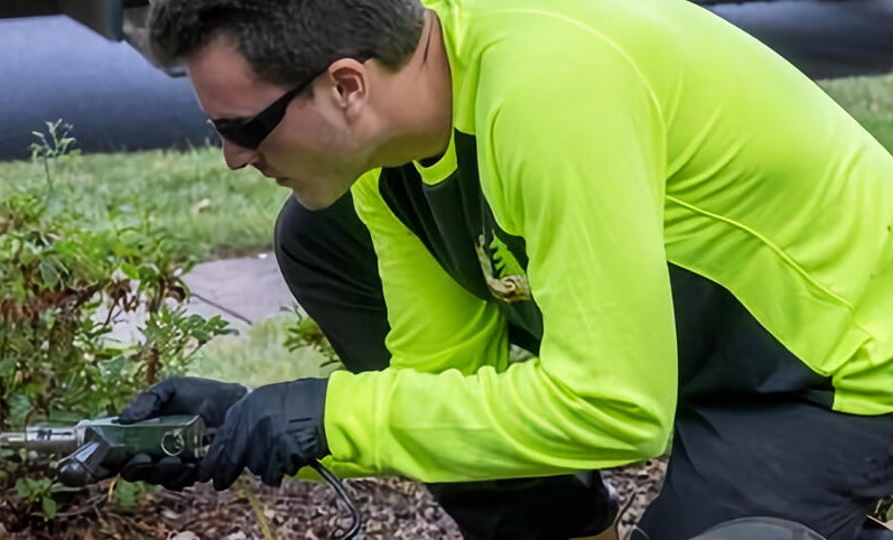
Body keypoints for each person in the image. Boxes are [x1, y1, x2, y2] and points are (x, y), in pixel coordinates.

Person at [102, 0, 893, 538]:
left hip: (831, 367)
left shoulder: (552, 92)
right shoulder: (398, 120)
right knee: (320, 234)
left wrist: (332, 414)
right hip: (687, 334)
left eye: (246, 127)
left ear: (346, 84)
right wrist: (258, 422)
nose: (234, 159)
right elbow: (438, 379)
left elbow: (616, 409)